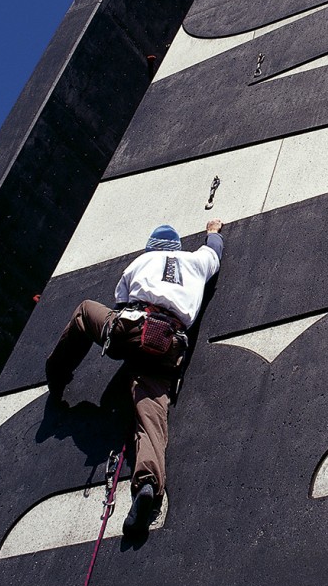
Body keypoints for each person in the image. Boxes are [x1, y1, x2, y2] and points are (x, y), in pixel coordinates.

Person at [45, 220, 223, 539]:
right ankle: (148, 487)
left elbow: (121, 303)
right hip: (169, 342)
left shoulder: (141, 261)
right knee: (150, 417)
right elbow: (215, 250)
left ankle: (57, 375)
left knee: (86, 312)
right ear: (176, 248)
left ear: (152, 247)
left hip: (134, 328)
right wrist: (213, 229)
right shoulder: (197, 261)